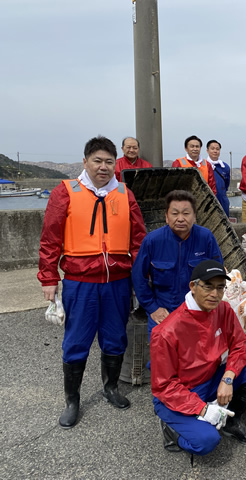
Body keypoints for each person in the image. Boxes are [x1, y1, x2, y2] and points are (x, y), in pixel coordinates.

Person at [38, 135, 146, 429]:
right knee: (76, 341)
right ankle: (72, 399)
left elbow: (138, 241)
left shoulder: (125, 193)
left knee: (115, 337)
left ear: (116, 164)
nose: (103, 167)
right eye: (97, 161)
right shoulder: (65, 192)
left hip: (118, 281)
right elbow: (50, 239)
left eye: (109, 162)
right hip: (79, 281)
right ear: (85, 161)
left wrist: (141, 280)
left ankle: (110, 388)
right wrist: (49, 278)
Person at [151, 260, 246, 455]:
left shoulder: (223, 310)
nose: (215, 294)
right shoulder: (166, 332)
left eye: (220, 287)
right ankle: (173, 434)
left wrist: (228, 378)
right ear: (193, 287)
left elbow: (240, 345)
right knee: (207, 441)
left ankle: (231, 421)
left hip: (209, 379)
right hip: (179, 393)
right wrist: (203, 410)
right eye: (208, 286)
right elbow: (164, 386)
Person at [131, 190, 223, 339]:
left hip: (198, 309)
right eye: (175, 213)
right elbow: (138, 277)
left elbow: (217, 275)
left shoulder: (206, 238)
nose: (180, 219)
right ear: (166, 217)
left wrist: (207, 306)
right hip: (164, 310)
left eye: (186, 213)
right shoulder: (152, 241)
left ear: (194, 217)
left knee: (201, 357)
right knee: (161, 356)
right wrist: (152, 308)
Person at [205, 140, 231, 216]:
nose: (215, 151)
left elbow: (227, 184)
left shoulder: (225, 167)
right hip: (208, 200)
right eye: (212, 149)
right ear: (207, 150)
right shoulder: (203, 166)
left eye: (217, 149)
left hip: (223, 200)